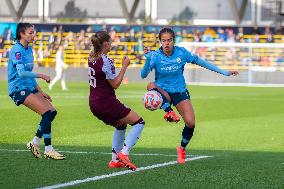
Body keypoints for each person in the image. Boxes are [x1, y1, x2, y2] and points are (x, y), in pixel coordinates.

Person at [141, 27, 238, 164]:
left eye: (169, 40)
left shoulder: (182, 53)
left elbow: (202, 63)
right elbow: (143, 75)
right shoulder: (155, 56)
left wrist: (224, 72)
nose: (167, 43)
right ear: (160, 41)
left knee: (191, 123)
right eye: (164, 40)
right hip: (163, 91)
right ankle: (169, 111)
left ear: (173, 40)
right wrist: (147, 60)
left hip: (180, 91)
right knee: (150, 85)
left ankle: (182, 148)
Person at [88, 31, 145, 171]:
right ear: (106, 43)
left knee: (121, 125)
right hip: (105, 102)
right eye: (110, 42)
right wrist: (124, 66)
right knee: (139, 122)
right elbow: (115, 84)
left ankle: (115, 161)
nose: (112, 44)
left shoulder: (91, 56)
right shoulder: (106, 60)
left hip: (94, 103)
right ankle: (124, 153)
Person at [7, 23, 65, 160]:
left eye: (34, 33)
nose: (34, 36)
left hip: (29, 86)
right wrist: (41, 75)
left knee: (52, 112)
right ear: (21, 34)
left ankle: (34, 143)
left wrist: (41, 91)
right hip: (18, 88)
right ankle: (49, 149)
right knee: (46, 113)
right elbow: (21, 73)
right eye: (31, 33)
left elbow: (29, 73)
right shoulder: (17, 50)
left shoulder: (29, 50)